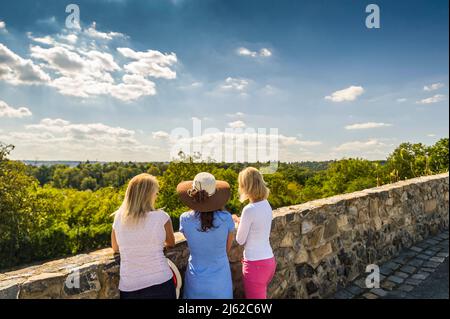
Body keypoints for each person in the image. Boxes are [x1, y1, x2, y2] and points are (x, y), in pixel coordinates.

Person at [111, 173, 177, 299]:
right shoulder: (162, 217)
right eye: (155, 192)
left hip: (130, 286)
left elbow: (115, 248)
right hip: (161, 282)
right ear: (148, 195)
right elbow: (171, 243)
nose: (156, 196)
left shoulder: (119, 218)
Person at [177, 172, 235, 299]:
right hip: (221, 282)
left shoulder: (185, 219)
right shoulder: (226, 219)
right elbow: (226, 248)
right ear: (216, 196)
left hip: (195, 281)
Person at [233, 167, 276, 299]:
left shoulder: (249, 209)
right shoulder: (266, 204)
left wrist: (237, 223)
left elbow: (240, 240)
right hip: (269, 261)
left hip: (255, 265)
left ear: (246, 186)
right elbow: (258, 224)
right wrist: (242, 221)